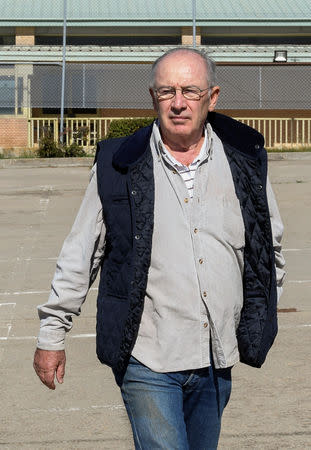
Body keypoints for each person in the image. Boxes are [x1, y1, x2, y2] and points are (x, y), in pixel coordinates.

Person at [33, 47, 285, 449]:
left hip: (214, 356)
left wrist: (256, 316)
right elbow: (81, 253)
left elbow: (267, 249)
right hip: (147, 356)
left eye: (190, 91)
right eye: (167, 91)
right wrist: (52, 334)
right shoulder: (119, 165)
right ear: (153, 97)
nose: (179, 103)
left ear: (213, 98)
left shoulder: (244, 160)